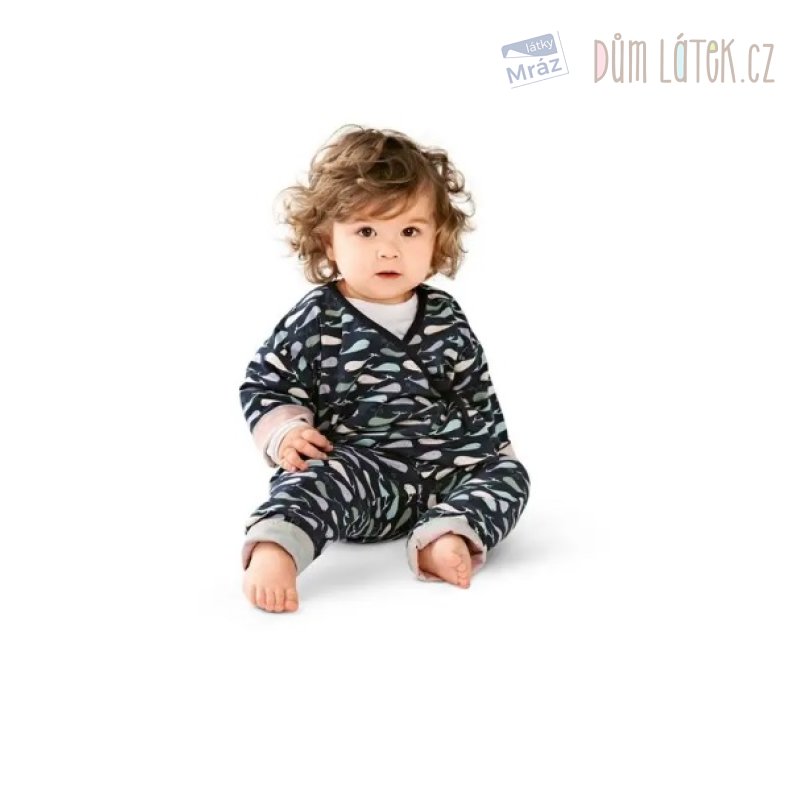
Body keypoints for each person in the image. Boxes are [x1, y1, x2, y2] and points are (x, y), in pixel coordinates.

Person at [239, 124, 531, 613]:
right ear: (328, 241)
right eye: (366, 231)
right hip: (358, 473)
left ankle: (447, 532)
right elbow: (267, 382)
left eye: (409, 231)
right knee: (310, 479)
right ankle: (278, 546)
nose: (388, 249)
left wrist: (489, 454)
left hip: (443, 472)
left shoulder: (445, 316)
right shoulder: (318, 317)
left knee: (510, 475)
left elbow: (475, 393)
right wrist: (287, 432)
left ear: (437, 239)